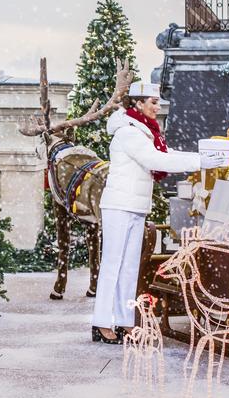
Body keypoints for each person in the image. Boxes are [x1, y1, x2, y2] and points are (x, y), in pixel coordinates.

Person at [91, 81, 213, 344]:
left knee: (129, 267)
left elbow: (166, 153)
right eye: (153, 102)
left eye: (158, 102)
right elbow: (156, 160)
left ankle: (125, 320)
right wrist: (201, 161)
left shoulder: (146, 131)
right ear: (137, 103)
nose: (158, 107)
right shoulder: (128, 132)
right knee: (113, 264)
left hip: (135, 205)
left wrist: (201, 156)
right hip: (119, 204)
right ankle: (101, 322)